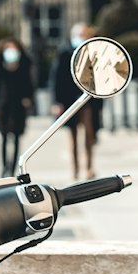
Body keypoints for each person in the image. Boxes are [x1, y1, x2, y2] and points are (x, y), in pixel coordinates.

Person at [51, 22, 102, 180]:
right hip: (68, 100)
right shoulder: (64, 52)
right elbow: (56, 78)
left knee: (89, 135)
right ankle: (74, 169)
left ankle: (89, 167)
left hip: (88, 99)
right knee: (72, 137)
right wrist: (56, 102)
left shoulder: (94, 52)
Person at [0, 37, 34, 176]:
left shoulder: (25, 64)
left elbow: (29, 85)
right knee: (4, 138)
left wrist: (29, 99)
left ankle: (13, 168)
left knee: (17, 138)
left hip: (18, 106)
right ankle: (4, 167)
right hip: (3, 106)